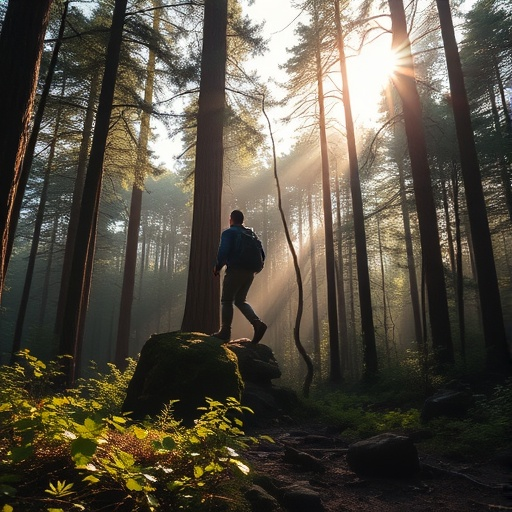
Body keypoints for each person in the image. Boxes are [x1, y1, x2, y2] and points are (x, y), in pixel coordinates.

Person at [212, 210, 267, 343]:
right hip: (250, 272)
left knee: (226, 301)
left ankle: (225, 332)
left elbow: (223, 251)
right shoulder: (251, 234)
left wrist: (218, 267)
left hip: (236, 270)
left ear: (231, 219)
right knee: (240, 300)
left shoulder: (229, 232)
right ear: (242, 220)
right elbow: (262, 255)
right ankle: (257, 324)